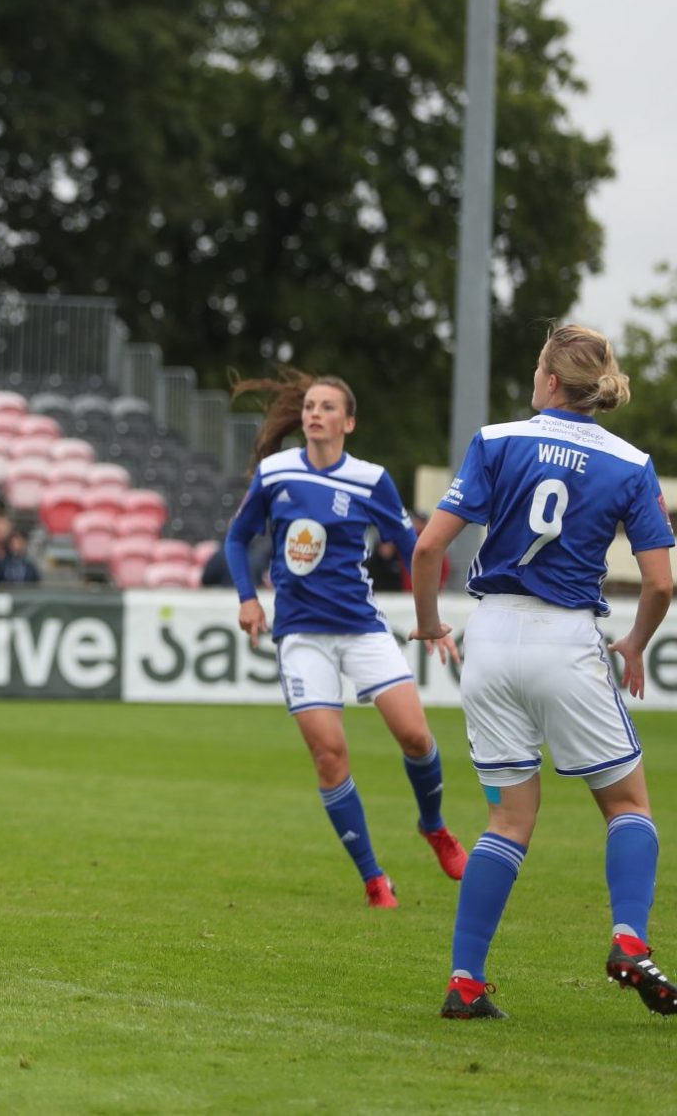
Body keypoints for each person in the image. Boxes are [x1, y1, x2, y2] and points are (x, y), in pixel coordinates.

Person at [411, 326, 676, 1020]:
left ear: (551, 381)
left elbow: (430, 546)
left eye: (537, 367)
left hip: (491, 637)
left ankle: (466, 982)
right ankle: (629, 938)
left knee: (508, 817)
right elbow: (660, 583)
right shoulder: (630, 462)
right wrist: (637, 643)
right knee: (625, 804)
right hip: (566, 639)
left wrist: (431, 622)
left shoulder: (496, 439)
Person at [224, 370, 466, 911]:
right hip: (301, 636)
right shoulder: (275, 472)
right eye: (309, 405)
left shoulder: (371, 479)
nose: (314, 413)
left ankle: (434, 827)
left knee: (416, 737)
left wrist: (430, 617)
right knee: (330, 756)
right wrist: (247, 597)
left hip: (361, 627)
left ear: (348, 422)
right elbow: (238, 538)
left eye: (327, 407)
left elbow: (415, 547)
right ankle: (374, 878)